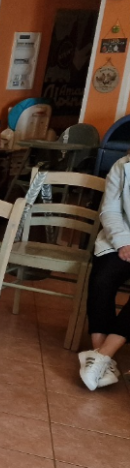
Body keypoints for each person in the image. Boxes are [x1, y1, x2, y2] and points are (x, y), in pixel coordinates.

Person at [78, 152, 130, 390]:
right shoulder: (122, 165)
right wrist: (122, 242)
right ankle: (102, 359)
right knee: (102, 279)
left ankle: (101, 357)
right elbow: (110, 211)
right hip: (120, 238)